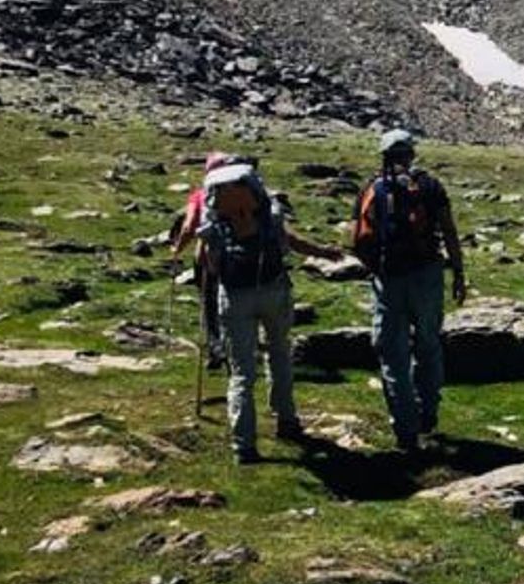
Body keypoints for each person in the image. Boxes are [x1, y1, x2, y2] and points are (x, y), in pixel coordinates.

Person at [196, 159, 341, 464]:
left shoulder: (216, 220)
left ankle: (243, 444)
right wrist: (325, 252)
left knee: (241, 372)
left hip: (235, 296)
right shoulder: (267, 215)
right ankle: (286, 420)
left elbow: (210, 264)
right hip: (273, 289)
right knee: (278, 353)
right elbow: (291, 242)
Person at [352, 129, 466, 453]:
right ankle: (428, 411)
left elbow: (356, 238)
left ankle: (405, 428)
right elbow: (449, 230)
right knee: (429, 344)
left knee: (393, 354)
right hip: (427, 274)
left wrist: (376, 268)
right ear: (411, 154)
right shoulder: (429, 186)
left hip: (389, 279)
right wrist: (458, 271)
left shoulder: (371, 188)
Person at [171, 152, 234, 371]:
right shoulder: (242, 194)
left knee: (209, 304)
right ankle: (236, 346)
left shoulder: (200, 196)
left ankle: (216, 349)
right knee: (232, 302)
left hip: (207, 257)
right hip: (236, 256)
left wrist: (177, 249)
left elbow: (189, 227)